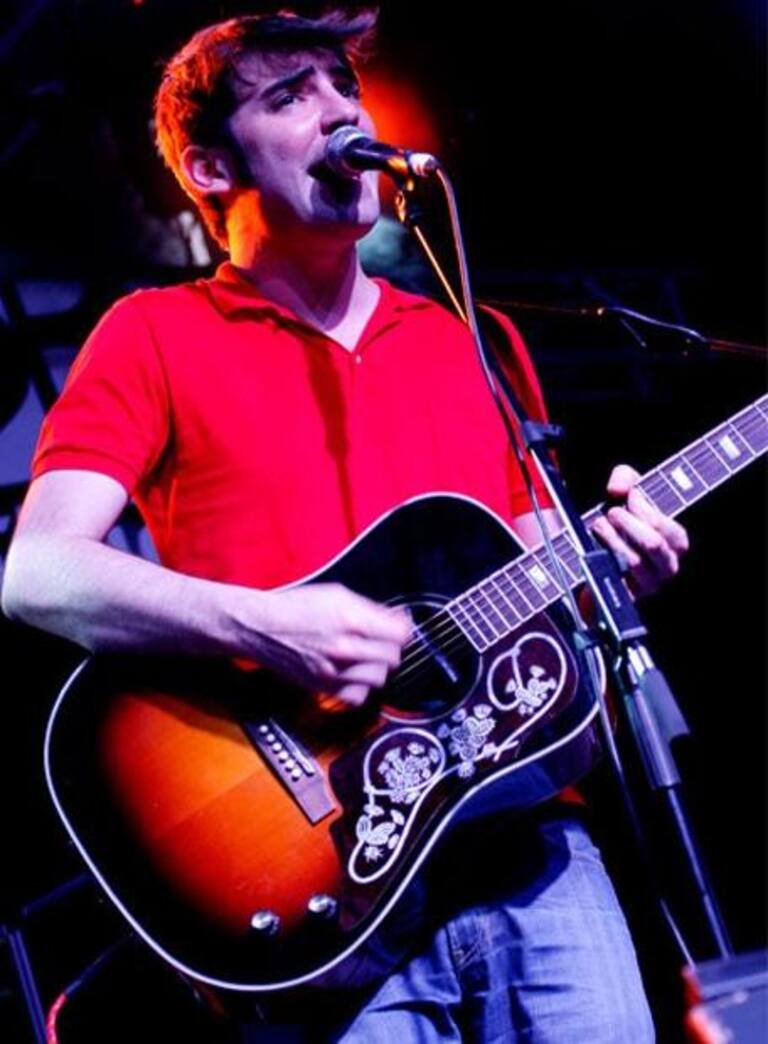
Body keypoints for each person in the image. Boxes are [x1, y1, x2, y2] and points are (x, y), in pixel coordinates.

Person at [2, 9, 689, 1042]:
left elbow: (531, 576)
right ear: (211, 167)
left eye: (343, 87)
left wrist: (613, 565)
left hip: (526, 838)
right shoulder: (153, 334)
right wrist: (264, 625)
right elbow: (40, 573)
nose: (339, 113)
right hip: (309, 871)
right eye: (291, 96)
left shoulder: (472, 339)